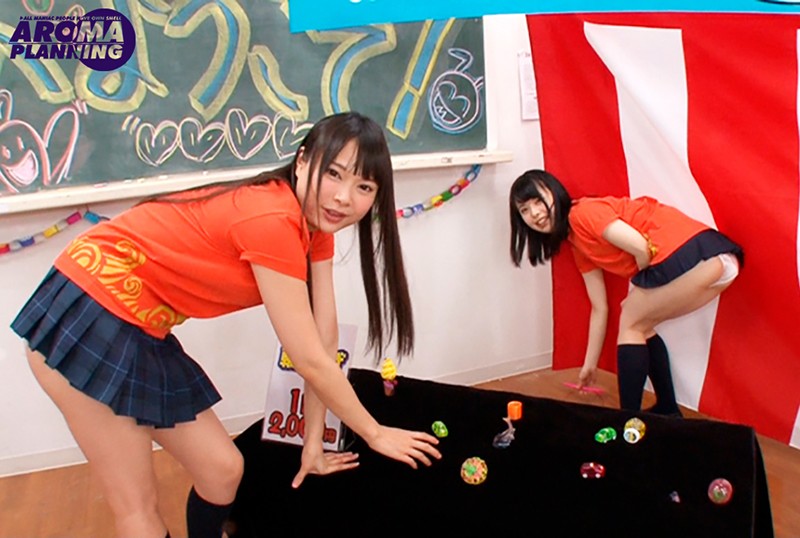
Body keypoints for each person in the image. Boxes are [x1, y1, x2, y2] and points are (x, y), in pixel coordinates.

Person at [11, 112, 441, 538]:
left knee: (222, 470)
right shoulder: (271, 218)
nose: (344, 197)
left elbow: (323, 344)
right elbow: (309, 359)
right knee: (137, 507)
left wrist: (314, 443)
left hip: (141, 327)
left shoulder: (315, 224)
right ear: (303, 161)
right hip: (86, 315)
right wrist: (374, 434)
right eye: (333, 173)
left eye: (364, 187)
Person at [508, 169, 743, 416]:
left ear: (555, 192)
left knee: (631, 320)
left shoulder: (583, 213)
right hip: (717, 262)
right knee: (641, 325)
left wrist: (643, 285)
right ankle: (667, 409)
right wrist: (590, 365)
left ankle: (628, 420)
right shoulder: (577, 244)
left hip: (696, 254)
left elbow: (640, 247)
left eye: (538, 201)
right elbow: (599, 307)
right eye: (524, 210)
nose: (535, 213)